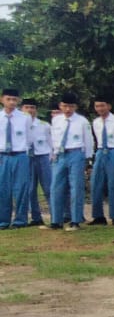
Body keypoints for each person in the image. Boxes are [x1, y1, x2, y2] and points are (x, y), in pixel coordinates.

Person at [49, 92, 93, 230]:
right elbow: (53, 138)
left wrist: (88, 159)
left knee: (76, 187)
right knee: (56, 187)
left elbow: (88, 140)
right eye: (65, 106)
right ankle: (56, 220)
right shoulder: (56, 120)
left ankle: (75, 220)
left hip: (76, 153)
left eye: (71, 106)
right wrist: (53, 154)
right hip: (60, 154)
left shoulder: (82, 121)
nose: (68, 109)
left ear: (75, 107)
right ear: (60, 106)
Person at [88, 97, 114, 226]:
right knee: (96, 183)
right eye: (97, 106)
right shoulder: (96, 122)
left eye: (102, 106)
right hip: (100, 151)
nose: (100, 109)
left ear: (108, 106)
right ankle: (98, 216)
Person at [0, 88, 28, 228]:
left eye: (14, 99)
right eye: (8, 99)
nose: (11, 102)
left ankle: (20, 220)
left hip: (20, 155)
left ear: (18, 101)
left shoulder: (24, 118)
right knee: (2, 188)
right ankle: (3, 221)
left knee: (21, 188)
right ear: (2, 99)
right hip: (2, 156)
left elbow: (30, 138)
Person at [22, 100, 52, 226]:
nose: (30, 110)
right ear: (22, 109)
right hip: (27, 158)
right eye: (27, 107)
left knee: (48, 188)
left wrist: (51, 158)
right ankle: (36, 217)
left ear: (36, 110)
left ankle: (56, 216)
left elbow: (51, 143)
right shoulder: (19, 124)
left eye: (32, 107)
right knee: (30, 189)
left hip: (43, 157)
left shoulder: (44, 125)